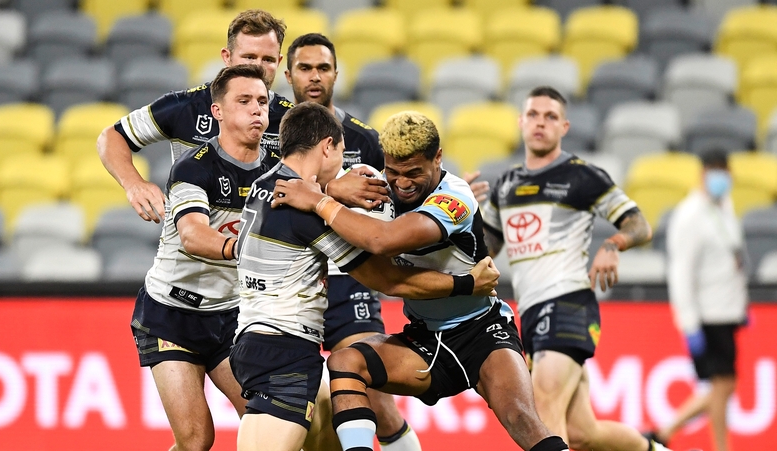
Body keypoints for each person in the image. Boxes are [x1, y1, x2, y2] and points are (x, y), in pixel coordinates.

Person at [271, 110, 570, 451]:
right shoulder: (376, 186)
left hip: (481, 332)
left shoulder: (454, 197)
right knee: (344, 362)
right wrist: (330, 187)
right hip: (425, 338)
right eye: (394, 172)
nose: (402, 183)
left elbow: (384, 240)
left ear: (437, 158)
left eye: (414, 172)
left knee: (522, 419)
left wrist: (321, 200)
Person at [230, 102, 500, 451]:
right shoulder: (308, 213)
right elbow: (388, 279)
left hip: (250, 338)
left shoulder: (263, 186)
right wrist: (467, 284)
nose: (344, 169)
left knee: (330, 420)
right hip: (287, 347)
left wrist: (327, 193)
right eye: (341, 155)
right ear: (327, 146)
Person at [480, 86, 669, 451]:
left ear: (564, 126)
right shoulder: (505, 186)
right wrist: (465, 214)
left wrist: (613, 245)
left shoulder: (582, 176)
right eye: (533, 114)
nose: (540, 123)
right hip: (531, 312)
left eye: (550, 116)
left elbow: (639, 224)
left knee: (544, 405)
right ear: (521, 122)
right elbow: (487, 248)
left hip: (567, 302)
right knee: (582, 433)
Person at [97, 10, 387, 225]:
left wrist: (334, 186)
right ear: (227, 57)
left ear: (279, 63)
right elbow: (111, 136)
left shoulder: (293, 119)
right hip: (187, 266)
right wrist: (134, 183)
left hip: (258, 276)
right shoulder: (184, 106)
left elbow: (310, 182)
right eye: (249, 57)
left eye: (268, 60)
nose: (259, 68)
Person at [283, 32, 420, 451]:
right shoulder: (271, 135)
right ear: (288, 74)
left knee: (377, 400)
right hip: (287, 287)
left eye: (323, 68)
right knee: (304, 414)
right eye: (305, 67)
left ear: (336, 74)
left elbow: (403, 193)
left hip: (349, 280)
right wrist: (331, 190)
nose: (314, 76)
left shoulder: (364, 140)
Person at [128, 64, 273, 451]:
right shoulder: (193, 167)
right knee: (196, 439)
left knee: (269, 422)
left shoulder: (278, 169)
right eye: (244, 101)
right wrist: (252, 250)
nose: (257, 109)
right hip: (170, 316)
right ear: (218, 112)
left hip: (229, 316)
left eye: (262, 101)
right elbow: (194, 236)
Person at [652, 149, 747, 451]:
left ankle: (665, 431)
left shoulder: (723, 207)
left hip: (726, 310)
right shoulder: (690, 215)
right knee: (722, 385)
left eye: (725, 169)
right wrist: (689, 324)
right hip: (708, 314)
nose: (721, 177)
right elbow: (681, 273)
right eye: (715, 170)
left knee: (723, 386)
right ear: (702, 174)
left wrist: (740, 306)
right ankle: (720, 446)